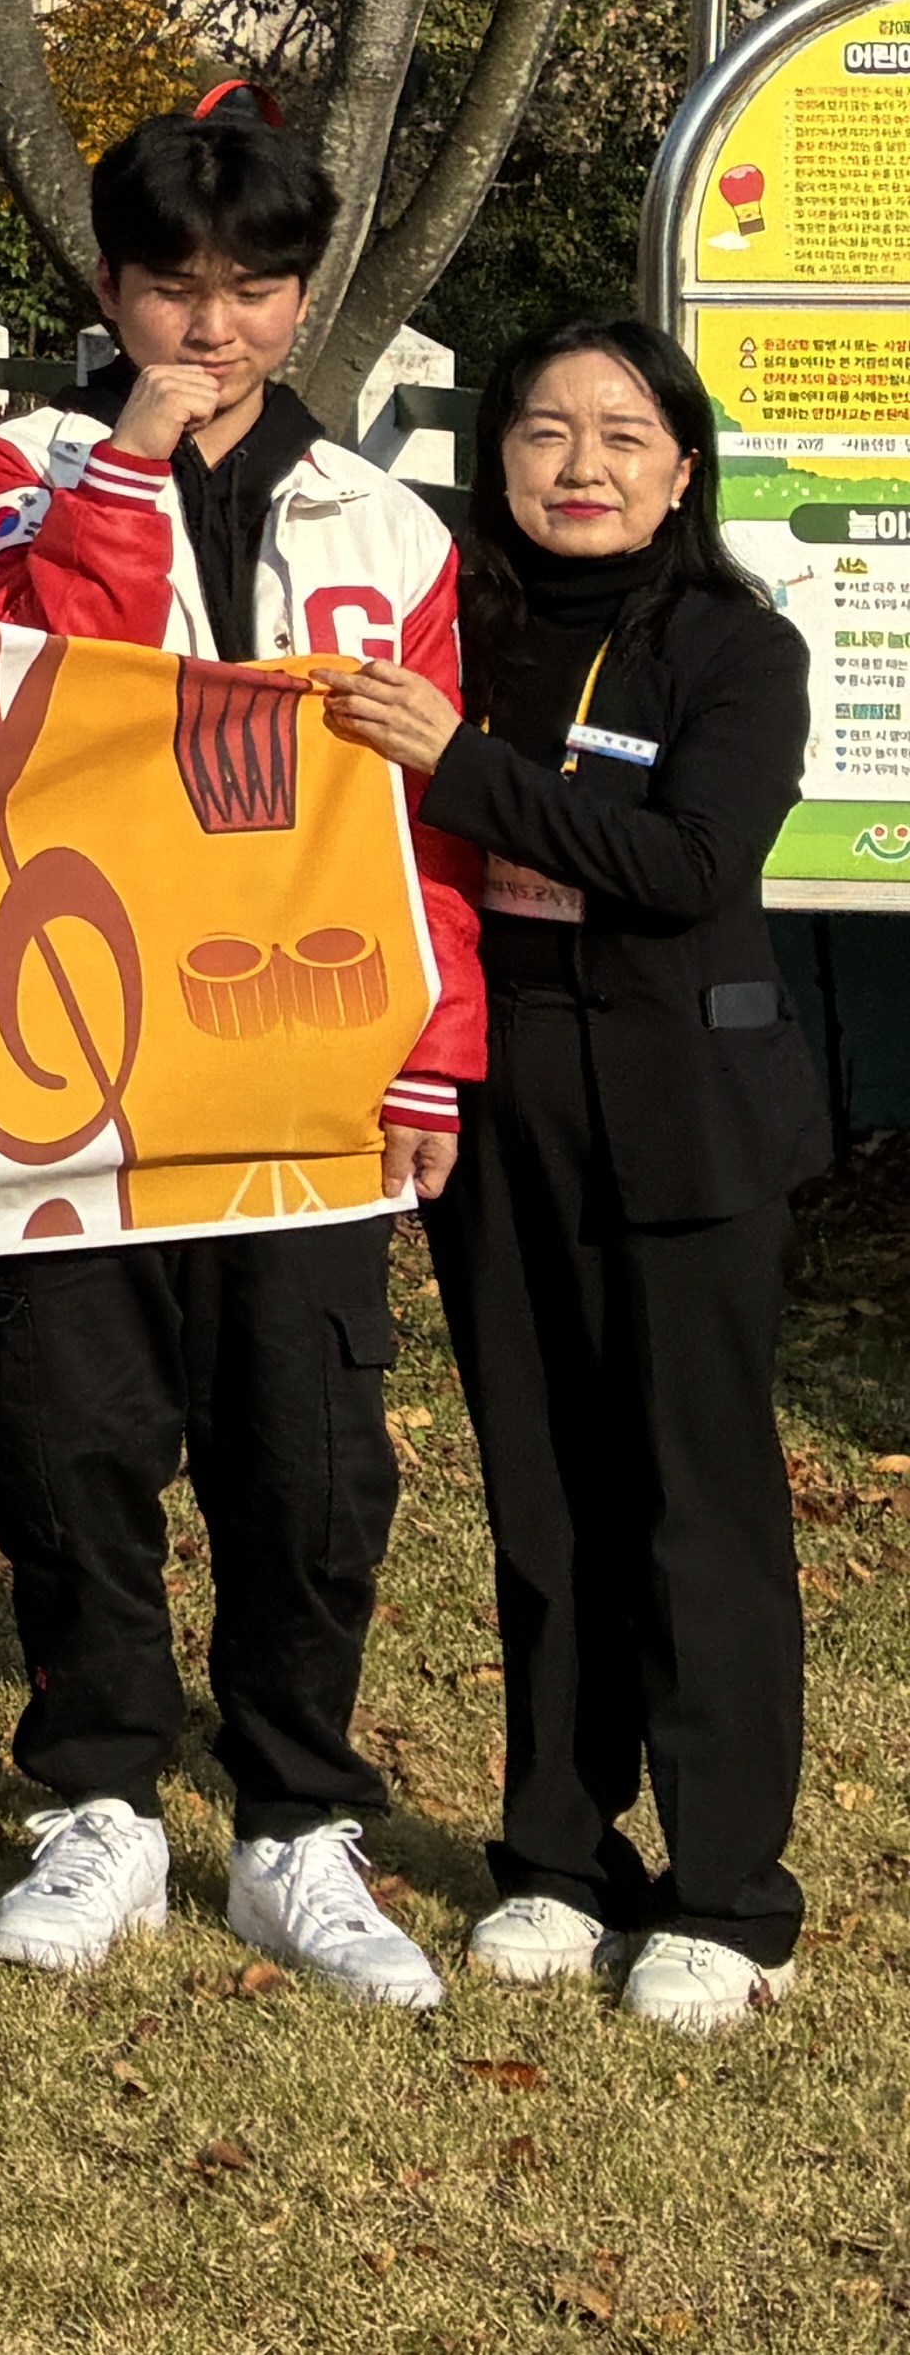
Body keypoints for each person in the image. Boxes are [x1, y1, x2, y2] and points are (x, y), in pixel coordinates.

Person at [0, 88, 478, 2008]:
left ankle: (292, 1824)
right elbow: (46, 708)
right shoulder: (13, 480)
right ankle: (96, 1794)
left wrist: (434, 1048)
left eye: (255, 290)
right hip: (69, 1040)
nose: (214, 327)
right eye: (174, 288)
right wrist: (131, 473)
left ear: (301, 292)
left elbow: (429, 815)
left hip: (303, 1048)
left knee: (309, 1447)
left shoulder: (386, 517)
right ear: (110, 288)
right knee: (72, 1432)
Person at [320, 318, 819, 2039]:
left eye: (622, 434)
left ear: (684, 467)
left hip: (687, 1110)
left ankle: (731, 1892)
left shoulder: (737, 650)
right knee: (539, 1493)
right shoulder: (468, 626)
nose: (581, 464)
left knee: (697, 1500)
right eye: (544, 430)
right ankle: (556, 1853)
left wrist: (462, 767)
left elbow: (689, 864)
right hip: (506, 1100)